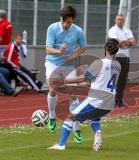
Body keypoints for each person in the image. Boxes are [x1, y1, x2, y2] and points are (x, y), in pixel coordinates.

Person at [48, 38, 120, 151]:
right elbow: (99, 81)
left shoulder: (99, 62)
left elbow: (84, 78)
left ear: (105, 49)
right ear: (116, 51)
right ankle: (97, 132)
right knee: (94, 117)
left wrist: (64, 81)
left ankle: (61, 145)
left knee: (70, 117)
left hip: (96, 100)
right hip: (109, 103)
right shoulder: (118, 65)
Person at [45, 5, 86, 143]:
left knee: (72, 94)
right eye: (63, 21)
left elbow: (83, 47)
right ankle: (52, 115)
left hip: (68, 66)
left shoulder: (79, 31)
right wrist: (59, 51)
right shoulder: (52, 28)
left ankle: (76, 127)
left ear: (72, 19)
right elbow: (48, 49)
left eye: (68, 22)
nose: (65, 24)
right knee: (53, 89)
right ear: (60, 18)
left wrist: (74, 55)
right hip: (52, 64)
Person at [108, 14, 136, 107]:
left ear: (124, 21)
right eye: (118, 19)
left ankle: (119, 101)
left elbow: (133, 42)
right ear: (115, 20)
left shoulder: (127, 30)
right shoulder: (112, 30)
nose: (119, 21)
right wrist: (128, 42)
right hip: (115, 57)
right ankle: (109, 101)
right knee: (113, 80)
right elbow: (119, 43)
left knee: (122, 81)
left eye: (121, 19)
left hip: (125, 58)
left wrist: (126, 43)